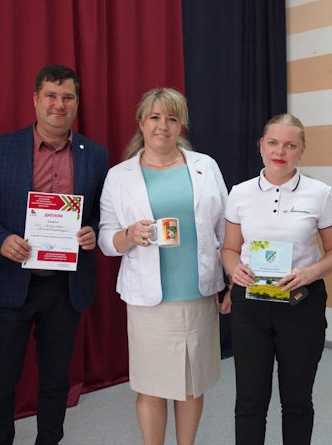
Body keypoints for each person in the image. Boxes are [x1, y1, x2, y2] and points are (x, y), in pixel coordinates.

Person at [0, 64, 108, 445]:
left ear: (77, 102)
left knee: (56, 379)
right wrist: (1, 239)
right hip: (11, 282)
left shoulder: (95, 154)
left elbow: (102, 213)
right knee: (0, 379)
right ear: (35, 99)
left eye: (68, 97)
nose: (59, 104)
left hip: (65, 286)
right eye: (51, 95)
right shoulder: (2, 148)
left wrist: (94, 231)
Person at [98, 88, 228, 445]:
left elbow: (225, 228)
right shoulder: (119, 176)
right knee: (151, 388)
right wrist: (128, 235)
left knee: (193, 385)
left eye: (172, 118)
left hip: (199, 293)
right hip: (148, 301)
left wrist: (231, 281)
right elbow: (106, 239)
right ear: (141, 122)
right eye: (155, 117)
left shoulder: (205, 166)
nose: (163, 126)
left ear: (181, 124)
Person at [220, 113, 332, 444]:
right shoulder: (240, 193)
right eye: (273, 143)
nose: (280, 151)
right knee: (249, 401)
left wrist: (310, 272)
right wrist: (234, 269)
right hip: (250, 305)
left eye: (290, 145)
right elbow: (229, 249)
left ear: (302, 149)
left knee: (297, 401)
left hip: (301, 305)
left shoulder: (320, 194)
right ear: (261, 145)